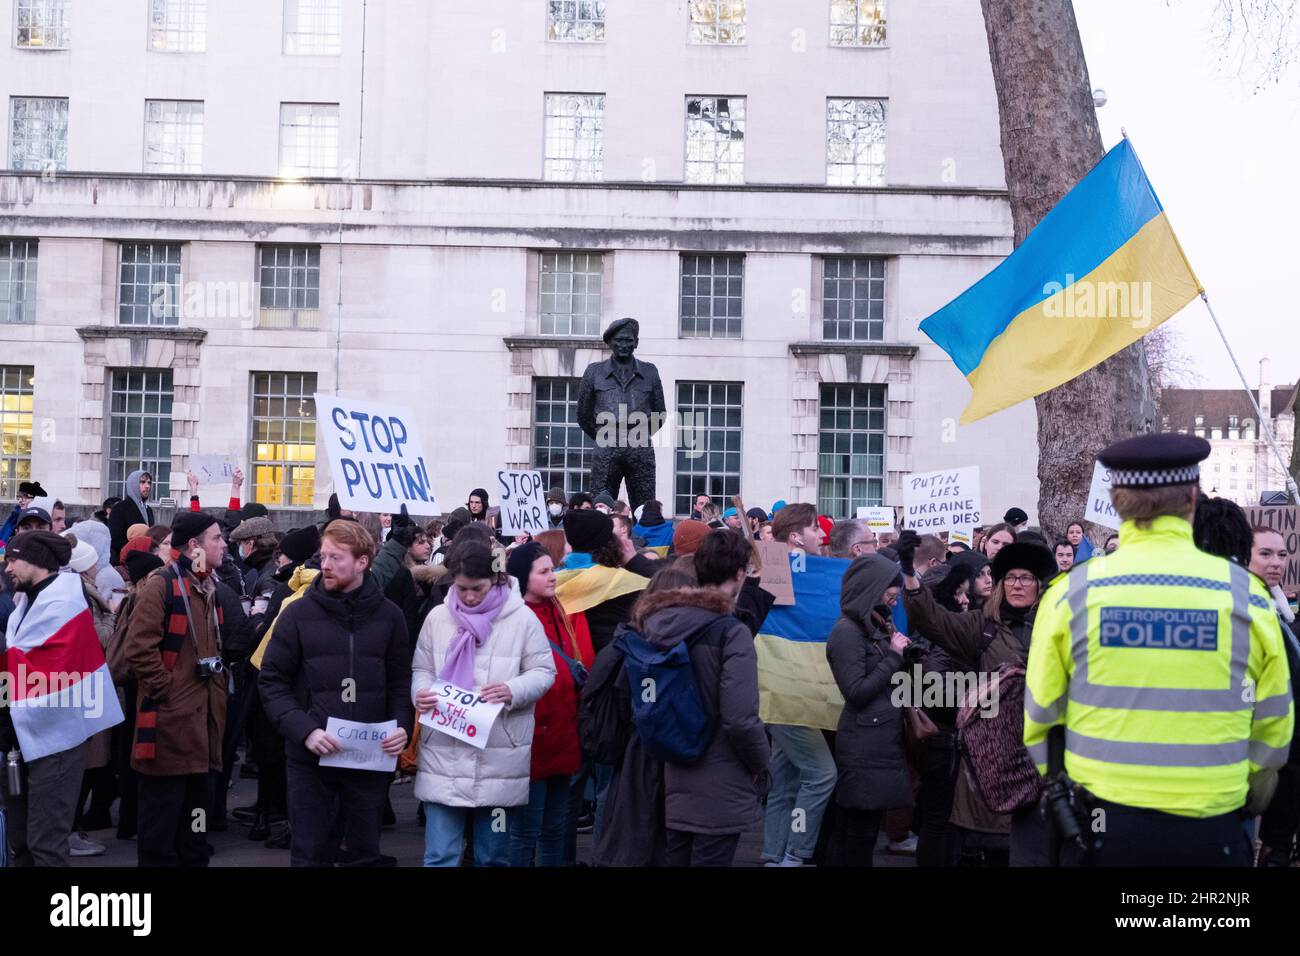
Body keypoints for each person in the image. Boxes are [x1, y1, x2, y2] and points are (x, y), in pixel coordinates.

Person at [1025, 434, 1293, 867]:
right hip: (1214, 826)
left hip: (1100, 827)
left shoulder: (1069, 594)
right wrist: (1240, 787)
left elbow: (1040, 717)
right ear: (1192, 497)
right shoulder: (1248, 596)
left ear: (1116, 502)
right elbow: (1275, 725)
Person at [258, 520, 412, 867]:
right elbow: (271, 682)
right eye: (323, 556)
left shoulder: (390, 617)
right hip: (311, 759)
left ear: (362, 562)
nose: (325, 565)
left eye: (336, 558)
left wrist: (402, 725)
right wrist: (306, 730)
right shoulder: (297, 614)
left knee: (364, 855)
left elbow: (402, 682)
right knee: (311, 855)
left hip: (369, 757)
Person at [900, 530, 1058, 866]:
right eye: (1010, 578)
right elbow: (933, 620)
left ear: (1039, 585)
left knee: (1034, 848)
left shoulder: (1057, 625)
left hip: (1042, 754)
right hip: (989, 758)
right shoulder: (982, 626)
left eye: (1026, 578)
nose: (1017, 585)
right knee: (985, 849)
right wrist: (910, 575)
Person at [629, 530, 769, 866]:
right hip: (719, 776)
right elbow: (740, 717)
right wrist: (762, 762)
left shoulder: (659, 621)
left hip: (669, 768)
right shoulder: (730, 631)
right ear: (739, 574)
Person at [412, 540, 556, 867]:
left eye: (477, 588)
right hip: (443, 755)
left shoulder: (521, 620)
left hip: (498, 757)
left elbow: (544, 671)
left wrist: (511, 690)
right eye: (461, 589)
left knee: (492, 857)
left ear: (495, 580)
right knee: (440, 856)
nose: (469, 597)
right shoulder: (438, 618)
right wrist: (420, 693)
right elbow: (421, 668)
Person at [1, 531, 124, 866]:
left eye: (13, 559)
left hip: (57, 740)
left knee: (45, 842)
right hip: (26, 736)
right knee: (21, 839)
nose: (7, 566)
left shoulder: (65, 603)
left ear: (37, 561)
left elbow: (41, 666)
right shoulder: (27, 600)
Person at [122, 511, 228, 867]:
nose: (224, 544)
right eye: (216, 538)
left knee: (196, 833)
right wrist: (167, 691)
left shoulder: (208, 585)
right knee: (159, 837)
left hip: (203, 730)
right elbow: (138, 646)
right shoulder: (162, 584)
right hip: (169, 729)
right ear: (195, 545)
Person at [506, 543, 594, 866]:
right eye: (543, 572)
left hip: (562, 733)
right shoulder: (515, 619)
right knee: (525, 830)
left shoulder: (557, 609)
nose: (553, 576)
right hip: (531, 738)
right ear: (522, 578)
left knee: (555, 829)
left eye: (552, 569)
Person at [823, 555, 913, 866]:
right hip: (864, 744)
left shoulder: (874, 623)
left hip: (875, 742)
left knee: (862, 831)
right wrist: (893, 656)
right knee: (856, 835)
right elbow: (857, 691)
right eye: (892, 586)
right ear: (872, 587)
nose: (896, 593)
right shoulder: (847, 632)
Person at [1250, 522, 1300, 866]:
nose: (1276, 562)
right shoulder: (1247, 612)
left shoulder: (1282, 611)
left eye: (1282, 554)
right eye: (1265, 553)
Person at [109, 469, 156, 565]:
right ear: (133, 484)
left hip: (144, 561)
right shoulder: (120, 508)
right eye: (142, 482)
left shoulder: (148, 510)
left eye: (149, 482)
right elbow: (115, 539)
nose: (147, 486)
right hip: (124, 562)